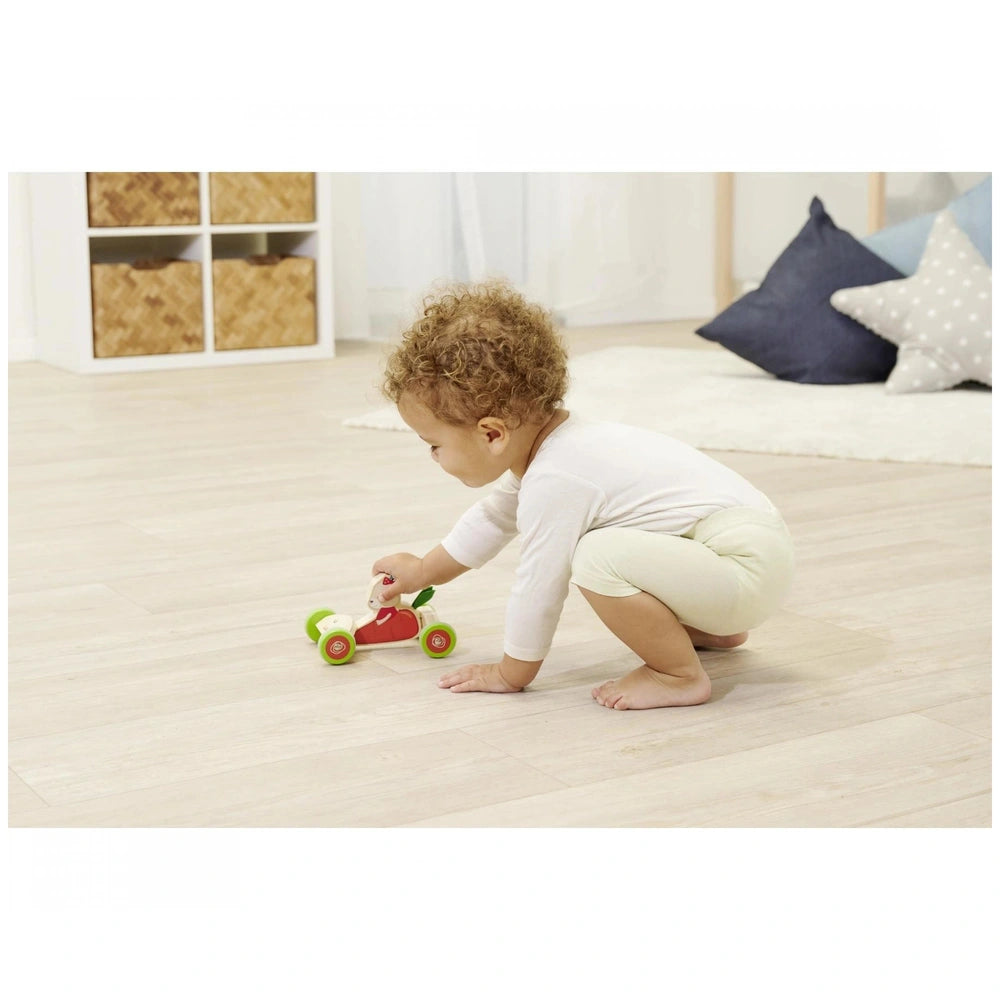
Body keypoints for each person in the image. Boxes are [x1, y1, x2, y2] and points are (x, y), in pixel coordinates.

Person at [372, 280, 794, 710]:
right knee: (619, 549)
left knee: (595, 557)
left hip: (742, 569)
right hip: (747, 557)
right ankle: (711, 628)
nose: (433, 456)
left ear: (493, 433)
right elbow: (495, 518)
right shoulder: (561, 450)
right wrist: (424, 570)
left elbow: (539, 584)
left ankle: (678, 675)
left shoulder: (558, 477)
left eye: (434, 444)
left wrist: (509, 673)